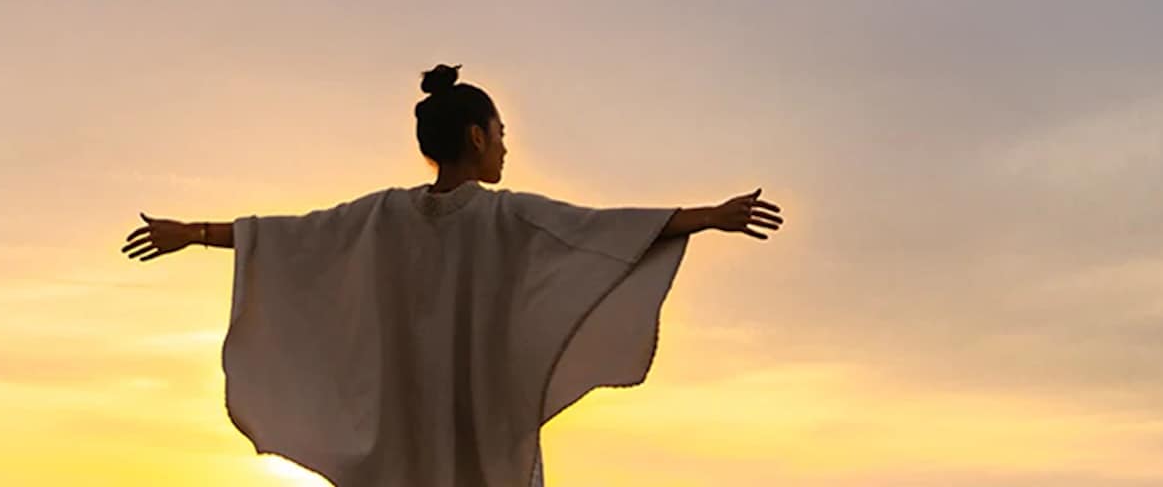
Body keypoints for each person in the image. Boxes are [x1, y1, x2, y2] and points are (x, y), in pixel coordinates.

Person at [121, 64, 784, 486]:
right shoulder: (510, 218)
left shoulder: (380, 216)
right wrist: (708, 216)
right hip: (479, 427)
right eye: (499, 131)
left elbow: (291, 238)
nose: (504, 143)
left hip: (404, 428)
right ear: (474, 135)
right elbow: (606, 231)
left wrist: (196, 233)